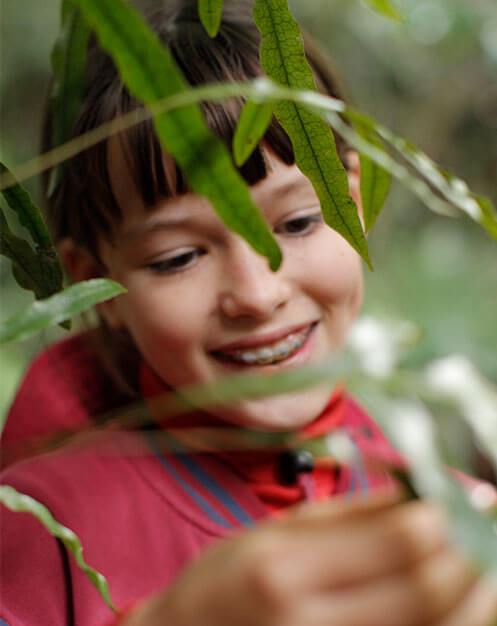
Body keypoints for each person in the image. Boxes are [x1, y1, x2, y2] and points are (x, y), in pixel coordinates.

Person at [1, 1, 496, 625]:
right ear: (93, 283)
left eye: (297, 222)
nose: (258, 296)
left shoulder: (443, 504)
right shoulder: (37, 524)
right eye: (178, 258)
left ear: (355, 204)